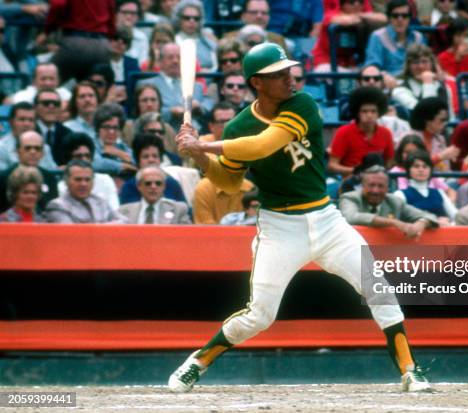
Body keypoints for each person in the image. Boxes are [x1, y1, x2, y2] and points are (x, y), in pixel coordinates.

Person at [169, 42, 431, 393]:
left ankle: (410, 371)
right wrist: (199, 156)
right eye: (277, 75)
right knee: (260, 315)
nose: (288, 79)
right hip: (279, 228)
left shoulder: (302, 104)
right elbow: (228, 181)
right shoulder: (236, 127)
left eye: (287, 71)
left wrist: (203, 144)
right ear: (256, 83)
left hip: (326, 219)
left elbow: (264, 144)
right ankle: (197, 361)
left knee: (378, 287)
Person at [137, 43, 213, 132]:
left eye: (179, 58)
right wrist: (170, 112)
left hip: (197, 135)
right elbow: (144, 113)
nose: (175, 61)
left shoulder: (196, 86)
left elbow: (209, 104)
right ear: (160, 62)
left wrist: (199, 107)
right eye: (170, 57)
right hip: (163, 134)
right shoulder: (146, 84)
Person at [340, 164, 440, 230]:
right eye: (371, 185)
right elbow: (350, 217)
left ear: (387, 188)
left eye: (380, 186)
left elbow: (430, 216)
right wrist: (394, 223)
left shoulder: (395, 202)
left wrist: (420, 224)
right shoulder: (350, 198)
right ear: (362, 186)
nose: (375, 190)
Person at [328, 87, 394, 178]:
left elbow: (389, 163)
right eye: (364, 111)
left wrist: (377, 171)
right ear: (357, 113)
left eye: (373, 111)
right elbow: (332, 165)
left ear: (379, 113)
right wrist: (356, 171)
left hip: (378, 180)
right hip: (351, 181)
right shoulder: (344, 132)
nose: (369, 115)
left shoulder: (386, 133)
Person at [45, 0, 114, 84]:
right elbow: (112, 13)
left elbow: (58, 4)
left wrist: (48, 30)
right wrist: (109, 38)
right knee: (96, 90)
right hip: (101, 44)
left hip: (75, 43)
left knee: (46, 80)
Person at [364, 0, 425, 88]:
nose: (400, 19)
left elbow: (425, 62)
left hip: (415, 83)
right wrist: (383, 75)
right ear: (389, 17)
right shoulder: (377, 36)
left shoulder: (418, 37)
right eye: (395, 16)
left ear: (410, 18)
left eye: (405, 16)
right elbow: (372, 66)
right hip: (386, 86)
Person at [45, 160, 126, 224]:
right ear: (66, 181)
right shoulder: (57, 206)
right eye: (78, 179)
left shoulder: (101, 202)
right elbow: (73, 233)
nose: (83, 184)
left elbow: (124, 222)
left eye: (87, 180)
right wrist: (104, 228)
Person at [0, 131, 59, 213]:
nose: (33, 152)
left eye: (37, 148)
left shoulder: (50, 178)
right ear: (17, 151)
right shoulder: (4, 177)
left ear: (42, 153)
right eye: (28, 148)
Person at [119, 134, 187, 205]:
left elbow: (185, 212)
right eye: (145, 156)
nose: (151, 160)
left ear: (160, 159)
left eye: (155, 156)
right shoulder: (130, 187)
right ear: (137, 160)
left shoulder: (172, 184)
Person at [58, 133, 120, 211]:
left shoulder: (105, 180)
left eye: (87, 156)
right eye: (78, 156)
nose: (84, 160)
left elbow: (115, 211)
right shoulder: (61, 186)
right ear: (68, 160)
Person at [392, 44, 455, 118]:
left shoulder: (444, 88)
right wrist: (427, 83)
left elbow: (451, 118)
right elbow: (425, 113)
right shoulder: (400, 91)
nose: (420, 66)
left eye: (424, 61)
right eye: (415, 62)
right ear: (408, 66)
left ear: (432, 64)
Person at [392, 150, 457, 222]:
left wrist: (448, 224)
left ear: (430, 169)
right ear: (408, 170)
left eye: (425, 166)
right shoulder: (400, 195)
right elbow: (395, 220)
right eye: (416, 166)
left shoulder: (439, 193)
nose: (421, 170)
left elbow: (456, 217)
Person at [119, 165, 191, 224]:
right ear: (139, 186)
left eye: (158, 183)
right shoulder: (124, 212)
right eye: (148, 183)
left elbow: (188, 237)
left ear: (164, 186)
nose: (153, 187)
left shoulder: (178, 210)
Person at [0, 102, 56, 171]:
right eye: (22, 119)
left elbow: (52, 173)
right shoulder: (1, 148)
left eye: (31, 120)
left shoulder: (44, 147)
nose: (26, 124)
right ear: (11, 122)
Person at [409, 97, 459, 171]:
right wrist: (439, 157)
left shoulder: (440, 140)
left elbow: (445, 170)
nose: (445, 124)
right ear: (427, 119)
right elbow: (411, 167)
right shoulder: (409, 138)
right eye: (442, 120)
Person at [172, 0, 217, 72]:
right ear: (179, 19)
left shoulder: (209, 43)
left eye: (196, 18)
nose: (192, 21)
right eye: (187, 18)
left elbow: (216, 67)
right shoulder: (172, 41)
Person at [34, 88, 73, 166]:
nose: (51, 107)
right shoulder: (29, 131)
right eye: (46, 103)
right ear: (35, 107)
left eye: (56, 104)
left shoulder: (68, 134)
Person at [115, 0, 149, 65]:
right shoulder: (109, 34)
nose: (128, 16)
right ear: (116, 14)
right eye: (124, 12)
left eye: (133, 13)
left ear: (138, 16)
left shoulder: (142, 38)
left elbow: (142, 63)